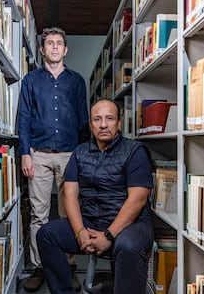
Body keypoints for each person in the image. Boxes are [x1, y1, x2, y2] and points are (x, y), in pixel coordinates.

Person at [37, 99, 155, 294]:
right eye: (97, 119)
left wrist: (109, 235)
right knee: (46, 234)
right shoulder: (79, 152)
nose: (103, 124)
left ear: (119, 122)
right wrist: (79, 231)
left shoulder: (135, 152)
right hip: (91, 220)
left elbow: (138, 200)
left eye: (109, 119)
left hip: (130, 224)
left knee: (127, 244)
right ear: (90, 124)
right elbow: (70, 195)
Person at [17, 27, 90, 292]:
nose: (55, 47)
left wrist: (83, 156)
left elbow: (83, 118)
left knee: (69, 212)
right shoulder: (31, 80)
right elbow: (23, 117)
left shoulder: (77, 81)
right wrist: (25, 152)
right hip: (38, 154)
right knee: (39, 214)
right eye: (50, 43)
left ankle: (68, 265)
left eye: (59, 43)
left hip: (70, 154)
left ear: (65, 49)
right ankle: (39, 266)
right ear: (43, 49)